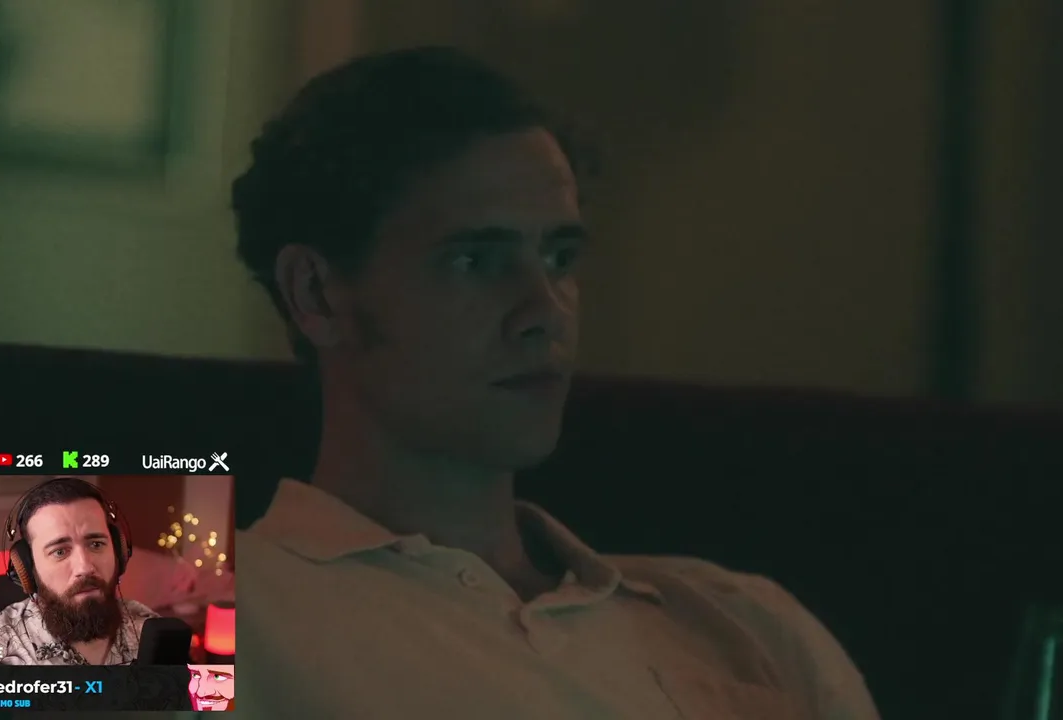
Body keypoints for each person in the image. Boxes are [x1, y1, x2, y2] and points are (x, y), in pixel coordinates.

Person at [232, 46, 879, 718]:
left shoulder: (744, 617)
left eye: (560, 257)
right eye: (475, 261)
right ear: (317, 295)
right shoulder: (196, 590)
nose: (545, 311)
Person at [0, 478, 158, 666]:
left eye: (96, 544)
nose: (85, 567)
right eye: (59, 552)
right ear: (28, 568)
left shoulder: (151, 630)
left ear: (118, 552)